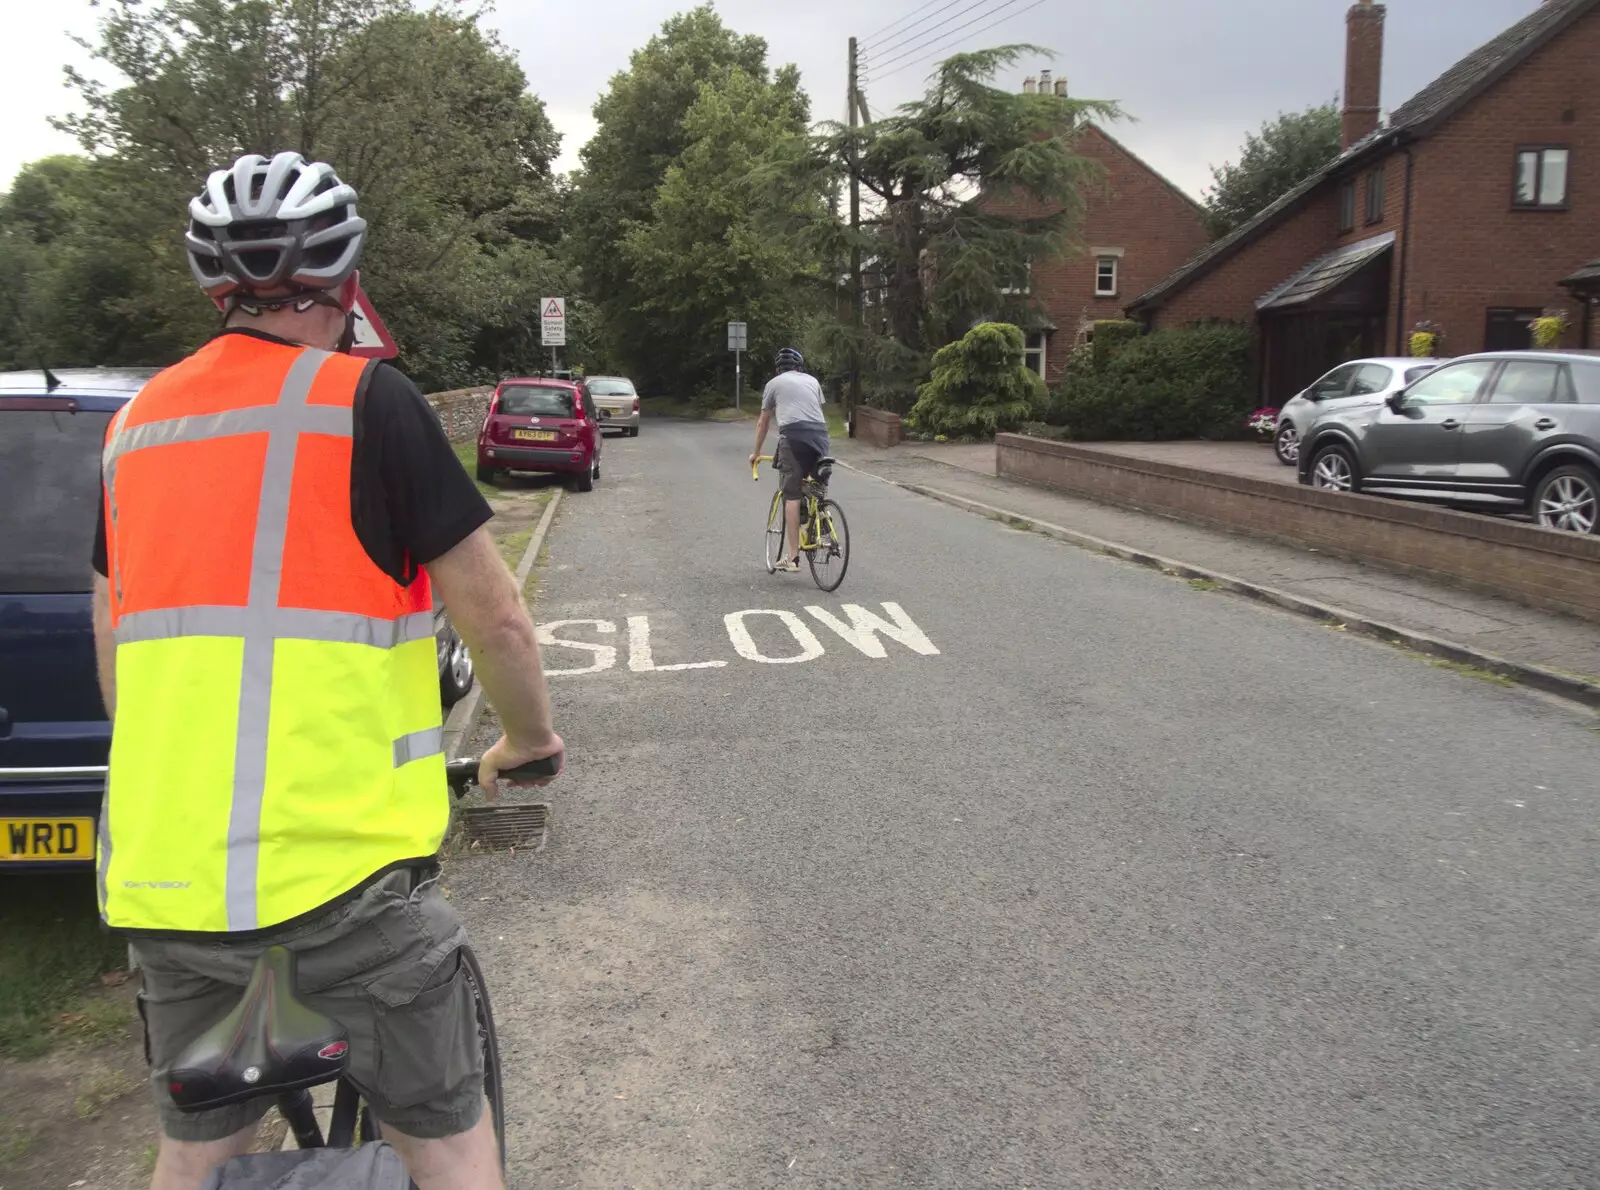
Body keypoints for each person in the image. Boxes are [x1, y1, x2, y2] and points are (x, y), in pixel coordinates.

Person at [88, 151, 562, 1190]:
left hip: (172, 883)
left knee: (193, 1150)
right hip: (348, 889)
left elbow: (114, 637)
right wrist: (528, 740)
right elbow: (497, 618)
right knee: (449, 1140)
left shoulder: (134, 429)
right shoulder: (367, 403)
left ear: (216, 289)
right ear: (348, 280)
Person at [749, 347, 830, 572]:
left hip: (793, 437)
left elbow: (763, 422)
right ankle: (822, 526)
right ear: (800, 367)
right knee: (817, 483)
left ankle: (793, 557)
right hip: (821, 436)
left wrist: (755, 452)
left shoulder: (773, 384)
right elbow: (815, 409)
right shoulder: (812, 381)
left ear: (778, 370)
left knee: (791, 495)